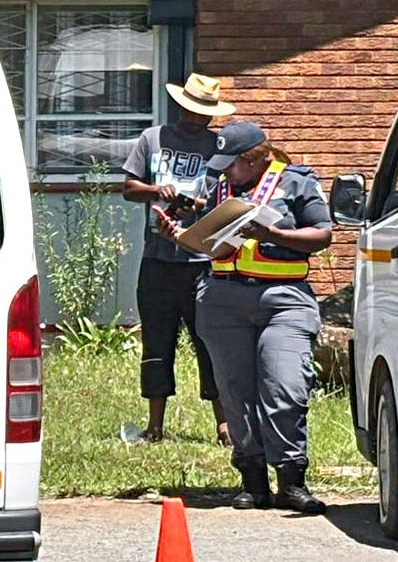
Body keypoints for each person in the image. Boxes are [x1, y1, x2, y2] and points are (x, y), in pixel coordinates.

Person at [184, 121, 333, 514]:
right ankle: (252, 482)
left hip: (283, 301)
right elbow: (204, 237)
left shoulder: (297, 182)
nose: (224, 171)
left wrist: (275, 236)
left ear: (252, 159)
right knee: (235, 393)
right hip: (222, 298)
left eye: (231, 164)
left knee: (284, 386)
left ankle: (292, 480)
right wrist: (180, 233)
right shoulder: (218, 186)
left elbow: (322, 234)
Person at [121, 73, 232, 445]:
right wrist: (157, 190)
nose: (193, 119)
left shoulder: (219, 148)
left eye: (201, 114)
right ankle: (155, 425)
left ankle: (223, 425)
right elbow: (129, 188)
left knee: (209, 341)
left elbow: (226, 199)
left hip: (201, 264)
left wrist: (198, 204)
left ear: (211, 116)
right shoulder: (152, 139)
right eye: (188, 111)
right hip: (157, 260)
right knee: (157, 341)